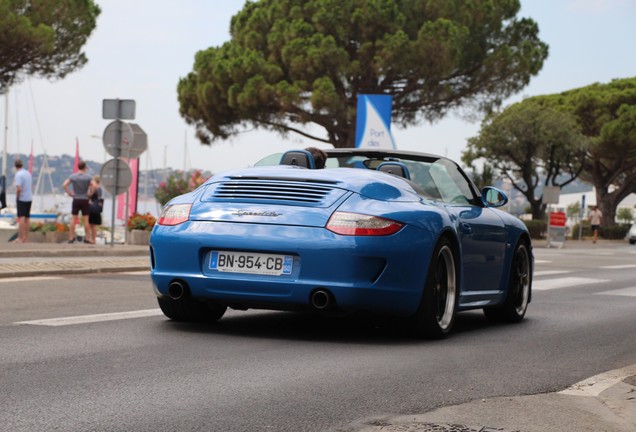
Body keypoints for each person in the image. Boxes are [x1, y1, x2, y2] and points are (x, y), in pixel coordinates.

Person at [63, 161, 93, 244]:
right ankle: (87, 238)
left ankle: (71, 237)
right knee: (86, 219)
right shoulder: (88, 177)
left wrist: (69, 193)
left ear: (78, 167)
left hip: (76, 198)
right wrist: (90, 194)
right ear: (85, 168)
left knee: (73, 218)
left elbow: (64, 184)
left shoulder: (73, 176)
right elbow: (94, 185)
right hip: (85, 199)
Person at [13, 159, 33, 243]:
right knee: (27, 218)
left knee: (21, 217)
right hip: (29, 197)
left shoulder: (18, 175)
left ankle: (20, 237)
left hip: (22, 198)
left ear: (15, 166)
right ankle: (26, 237)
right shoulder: (28, 173)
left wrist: (17, 197)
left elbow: (19, 189)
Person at [87, 175, 103, 245]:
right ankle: (93, 239)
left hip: (92, 207)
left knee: (92, 225)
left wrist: (90, 189)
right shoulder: (100, 188)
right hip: (96, 207)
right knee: (93, 225)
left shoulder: (95, 187)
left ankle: (92, 239)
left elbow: (89, 195)